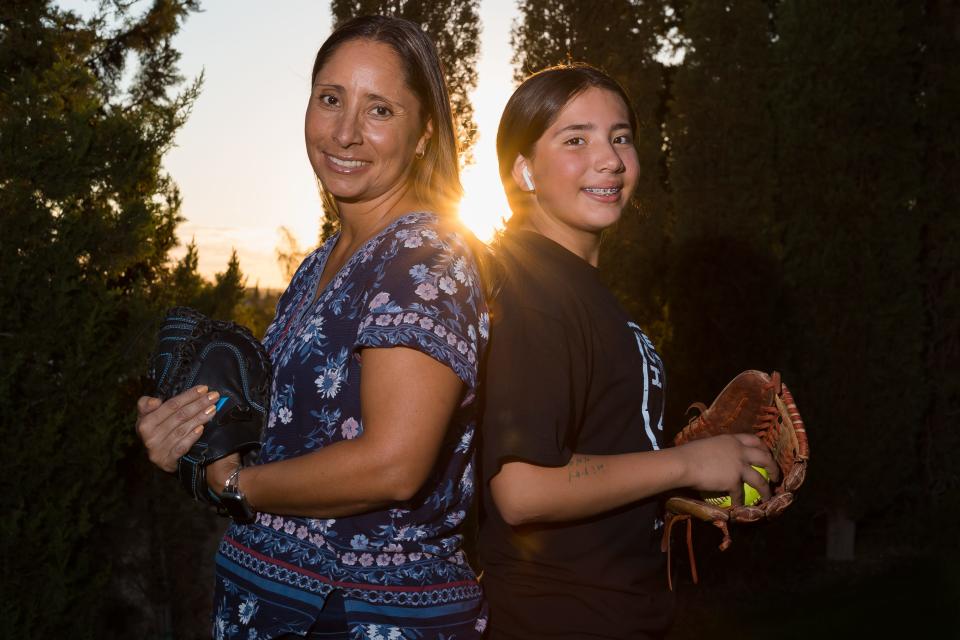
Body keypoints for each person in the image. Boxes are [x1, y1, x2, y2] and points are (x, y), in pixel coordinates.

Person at [135, 16, 489, 640]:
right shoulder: (318, 265)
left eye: (379, 109)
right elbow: (292, 437)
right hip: (275, 606)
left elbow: (393, 464)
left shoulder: (425, 259)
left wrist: (236, 484)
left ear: (425, 132)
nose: (346, 132)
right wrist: (191, 436)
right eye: (331, 99)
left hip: (359, 617)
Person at [478, 64, 778, 639]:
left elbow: (595, 451)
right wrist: (686, 464)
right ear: (522, 171)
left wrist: (674, 481)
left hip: (616, 609)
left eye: (620, 137)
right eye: (576, 139)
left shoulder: (578, 287)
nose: (610, 159)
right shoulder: (532, 289)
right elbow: (522, 489)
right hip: (558, 618)